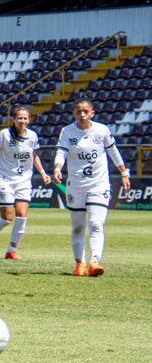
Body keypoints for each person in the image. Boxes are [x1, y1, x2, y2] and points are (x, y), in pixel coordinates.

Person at [54, 99, 130, 277]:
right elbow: (62, 151)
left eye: (85, 111)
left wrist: (124, 173)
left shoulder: (102, 130)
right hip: (76, 185)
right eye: (78, 111)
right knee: (78, 227)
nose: (82, 115)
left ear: (92, 113)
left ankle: (95, 262)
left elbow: (113, 152)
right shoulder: (67, 131)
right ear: (74, 113)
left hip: (99, 184)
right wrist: (58, 167)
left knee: (96, 224)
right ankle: (80, 264)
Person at [0, 106, 51, 260]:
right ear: (14, 119)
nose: (22, 121)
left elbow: (35, 156)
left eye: (25, 118)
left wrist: (43, 173)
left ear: (29, 120)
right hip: (5, 179)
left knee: (22, 215)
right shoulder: (4, 134)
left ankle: (11, 251)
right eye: (19, 118)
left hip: (24, 181)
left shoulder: (33, 136)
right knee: (7, 217)